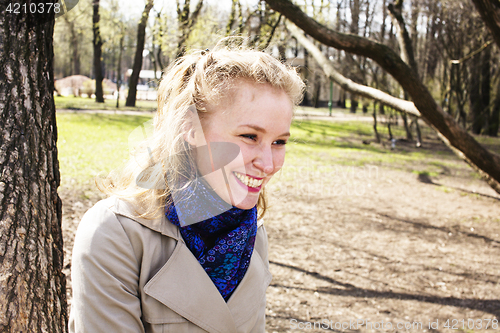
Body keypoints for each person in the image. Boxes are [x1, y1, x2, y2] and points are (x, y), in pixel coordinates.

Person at [68, 41, 305, 333]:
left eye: (279, 142)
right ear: (191, 129)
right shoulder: (115, 233)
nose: (269, 165)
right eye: (249, 136)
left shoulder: (252, 232)